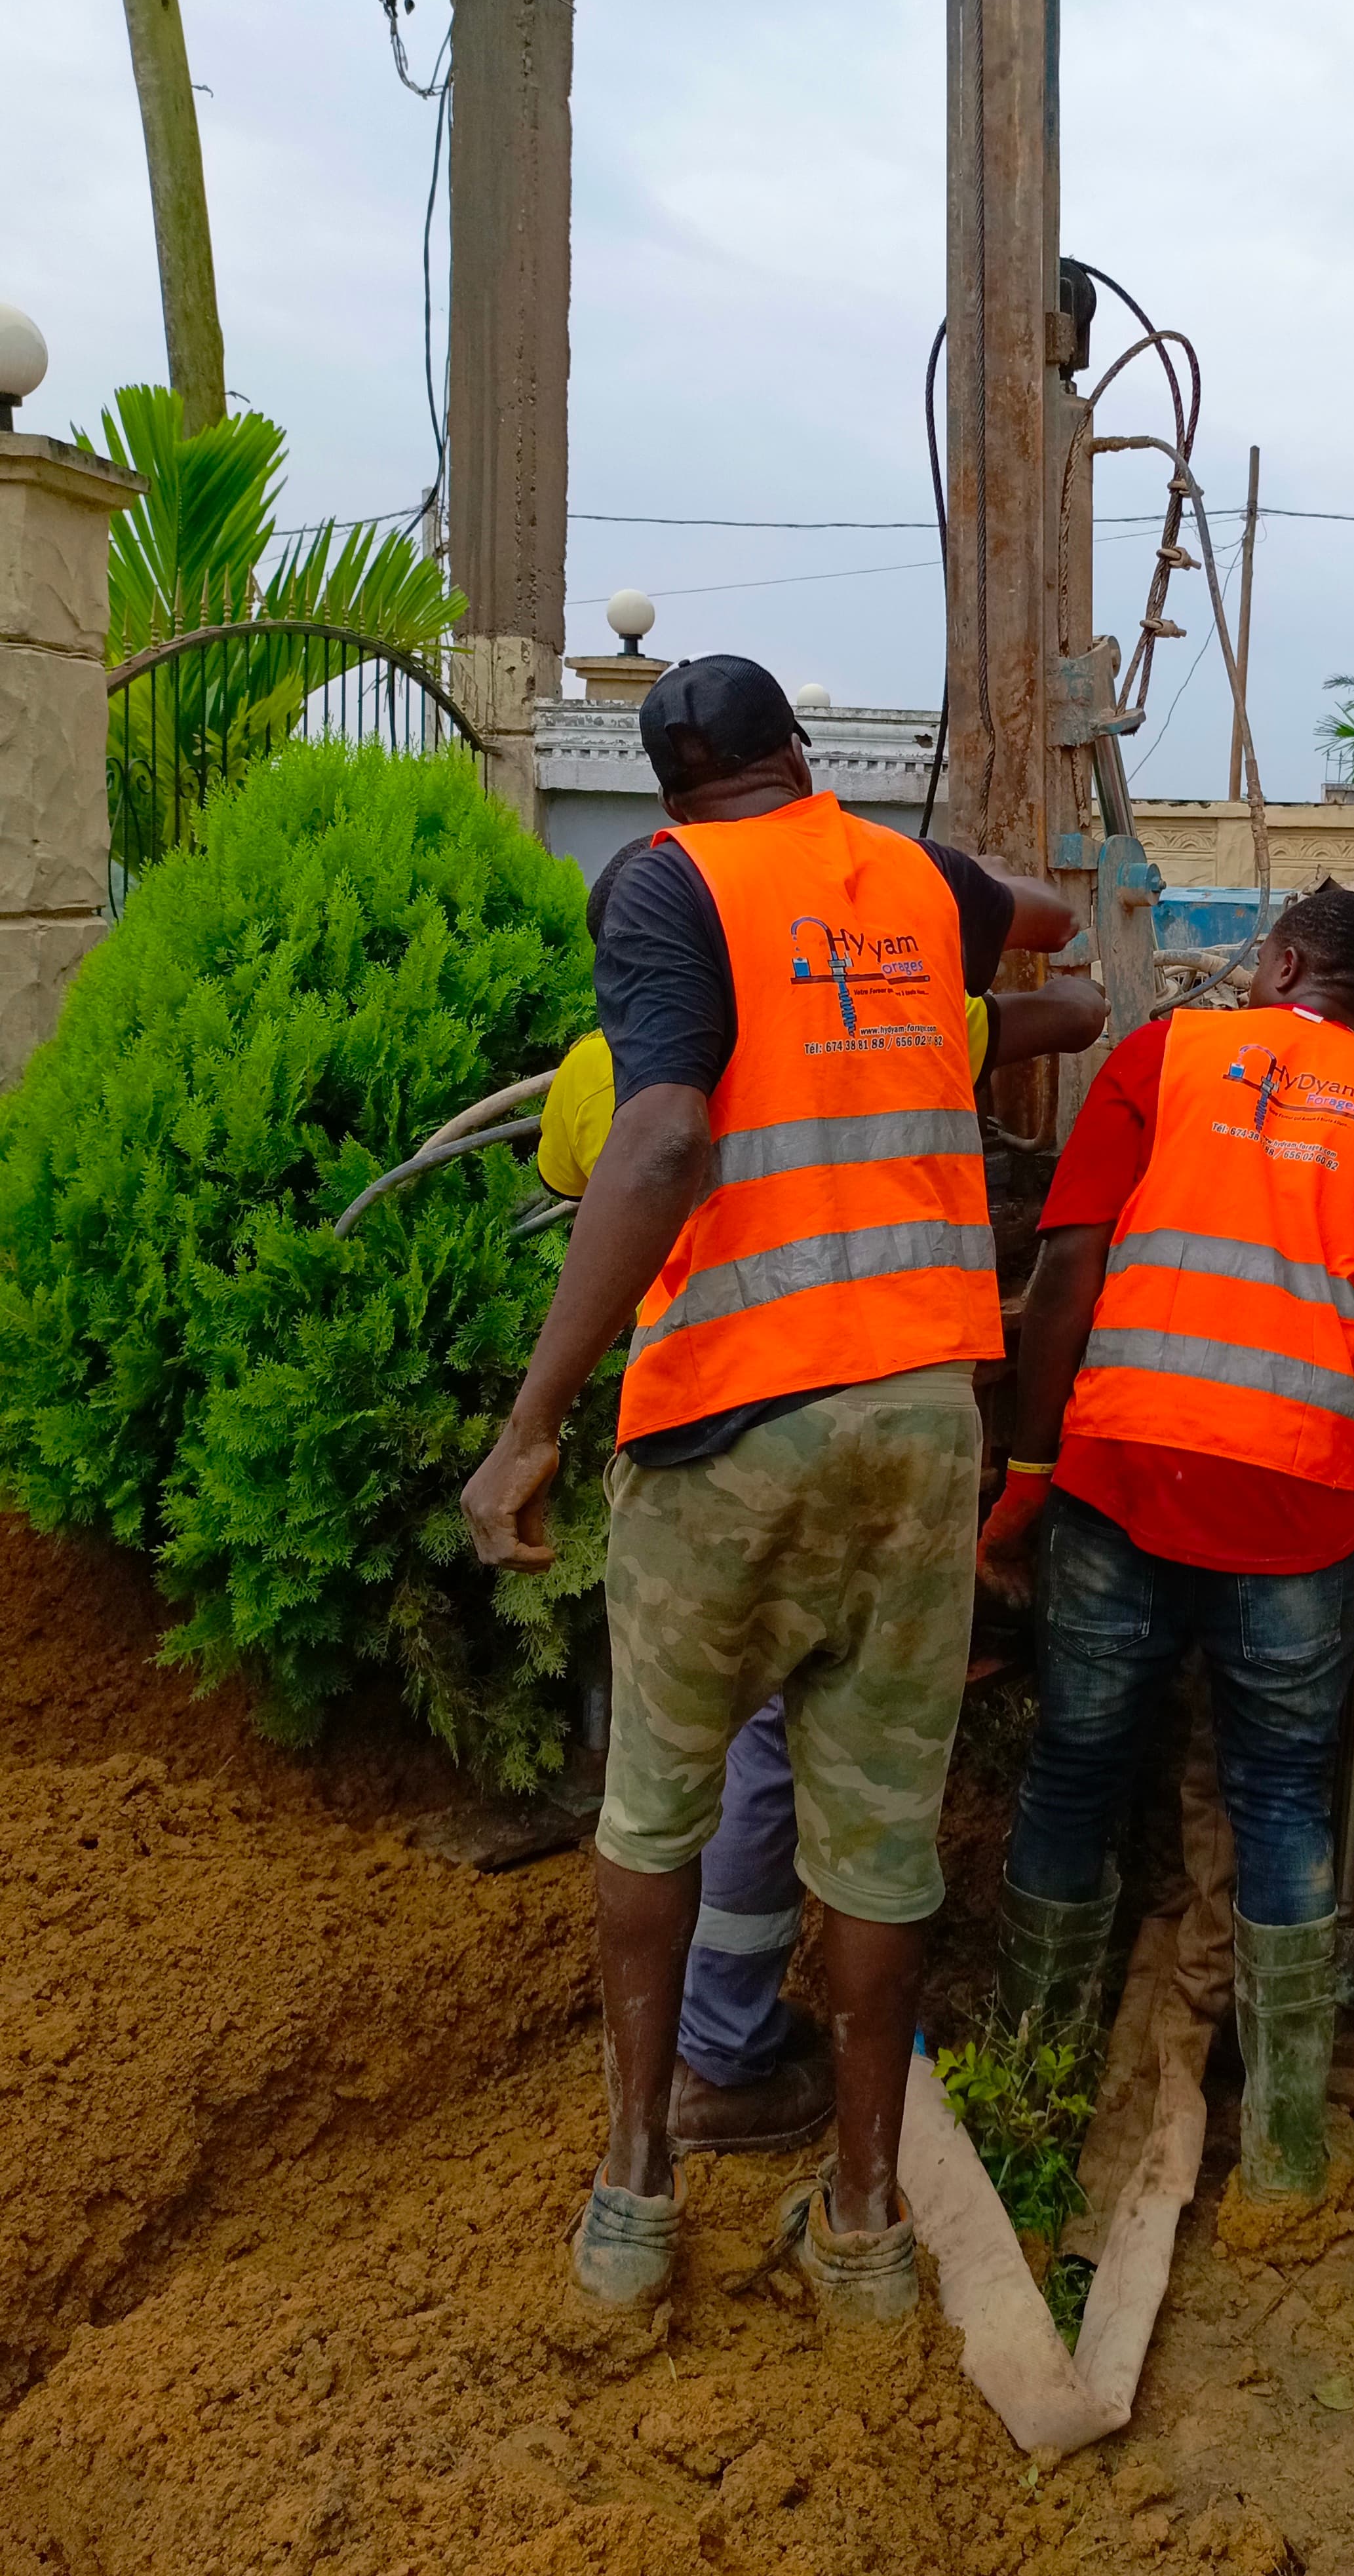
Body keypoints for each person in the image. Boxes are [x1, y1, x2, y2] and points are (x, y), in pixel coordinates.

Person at [461, 653, 1078, 2319]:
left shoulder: (663, 889)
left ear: (666, 786)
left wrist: (531, 1421)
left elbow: (658, 1140)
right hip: (924, 1422)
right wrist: (979, 898)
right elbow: (1045, 928)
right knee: (881, 1842)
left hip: (734, 1427)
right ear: (800, 754)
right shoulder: (907, 877)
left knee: (654, 1804)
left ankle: (634, 2203)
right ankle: (867, 2225)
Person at [530, 846, 1105, 2163]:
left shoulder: (597, 1078)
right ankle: (859, 2180)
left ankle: (700, 2073)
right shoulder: (899, 1020)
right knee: (854, 1800)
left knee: (698, 1777)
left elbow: (598, 1176)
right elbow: (1066, 1001)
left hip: (717, 1459)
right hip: (899, 1450)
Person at [977, 884, 1354, 2203]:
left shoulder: (1160, 1057)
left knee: (1078, 1768)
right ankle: (1289, 2153)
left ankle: (1021, 2089)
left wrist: (1028, 1473)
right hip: (1292, 1509)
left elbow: (1064, 1278)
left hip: (1121, 1479)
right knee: (1278, 1800)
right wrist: (1325, 1243)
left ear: (1283, 960)